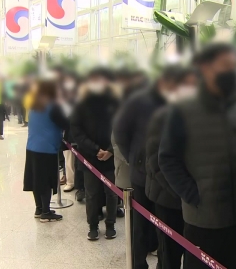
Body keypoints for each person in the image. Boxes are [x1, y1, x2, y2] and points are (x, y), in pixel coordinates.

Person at [159, 43, 236, 269]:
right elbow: (167, 158)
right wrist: (193, 195)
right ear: (206, 68)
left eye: (234, 67)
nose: (231, 72)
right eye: (225, 66)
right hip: (203, 219)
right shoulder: (183, 110)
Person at [114, 66, 181, 269]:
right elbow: (120, 132)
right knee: (140, 227)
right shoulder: (139, 101)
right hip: (142, 177)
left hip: (164, 181)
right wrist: (135, 160)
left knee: (164, 230)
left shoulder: (177, 103)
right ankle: (138, 264)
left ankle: (162, 263)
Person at [145, 68, 198, 269]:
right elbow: (156, 162)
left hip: (188, 200)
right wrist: (182, 192)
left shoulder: (195, 114)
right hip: (169, 199)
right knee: (169, 254)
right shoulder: (163, 116)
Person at [71, 68, 119, 241]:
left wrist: (110, 151)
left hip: (110, 157)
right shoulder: (81, 103)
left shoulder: (114, 102)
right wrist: (95, 149)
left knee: (112, 193)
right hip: (90, 157)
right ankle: (92, 226)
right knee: (91, 194)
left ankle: (111, 225)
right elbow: (76, 130)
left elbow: (121, 128)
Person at [23, 80, 69, 222]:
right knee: (46, 181)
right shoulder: (53, 106)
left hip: (32, 147)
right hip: (47, 148)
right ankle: (46, 211)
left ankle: (39, 208)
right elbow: (65, 123)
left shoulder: (34, 104)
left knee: (36, 179)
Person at [59, 71, 80, 191]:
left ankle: (76, 183)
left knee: (77, 161)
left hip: (76, 134)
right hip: (67, 135)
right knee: (68, 160)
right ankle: (70, 181)